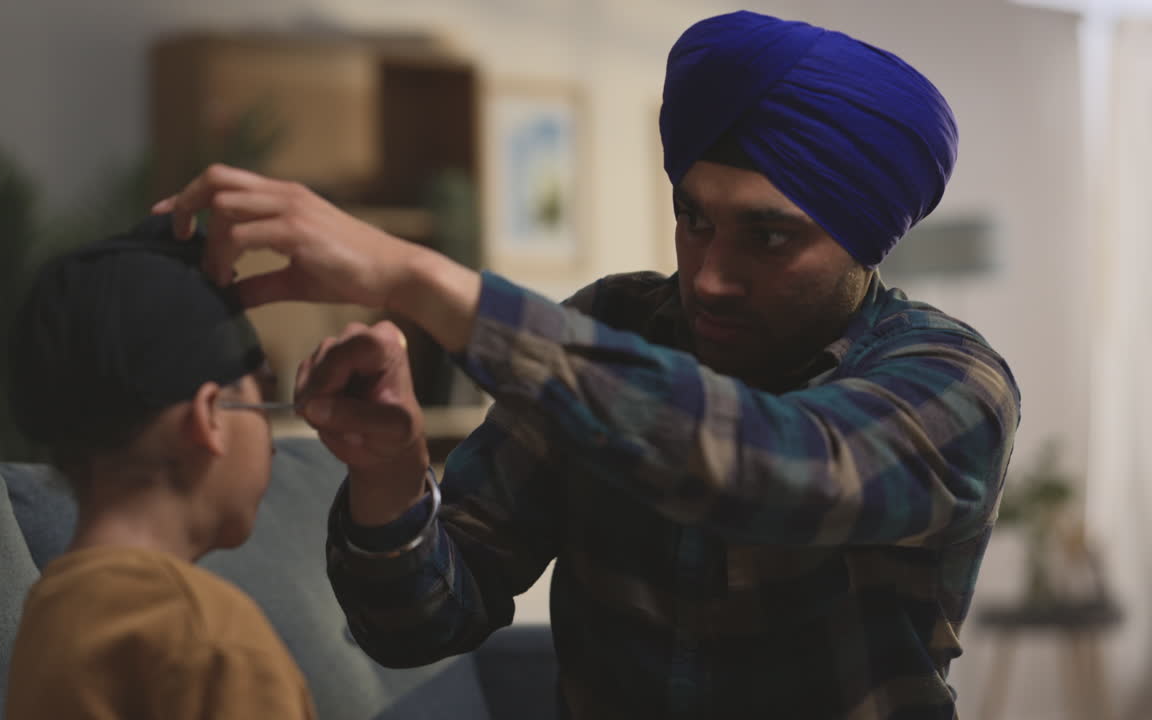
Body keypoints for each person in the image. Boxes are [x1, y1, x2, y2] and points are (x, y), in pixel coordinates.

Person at [152, 11, 1021, 718]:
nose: (710, 274)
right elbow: (418, 625)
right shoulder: (612, 321)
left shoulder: (952, 383)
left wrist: (417, 278)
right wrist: (389, 474)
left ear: (863, 245)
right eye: (693, 218)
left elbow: (776, 467)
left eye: (768, 236)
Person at [3, 215, 317, 720]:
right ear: (211, 417)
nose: (273, 445)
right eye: (262, 396)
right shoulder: (209, 635)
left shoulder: (51, 612)